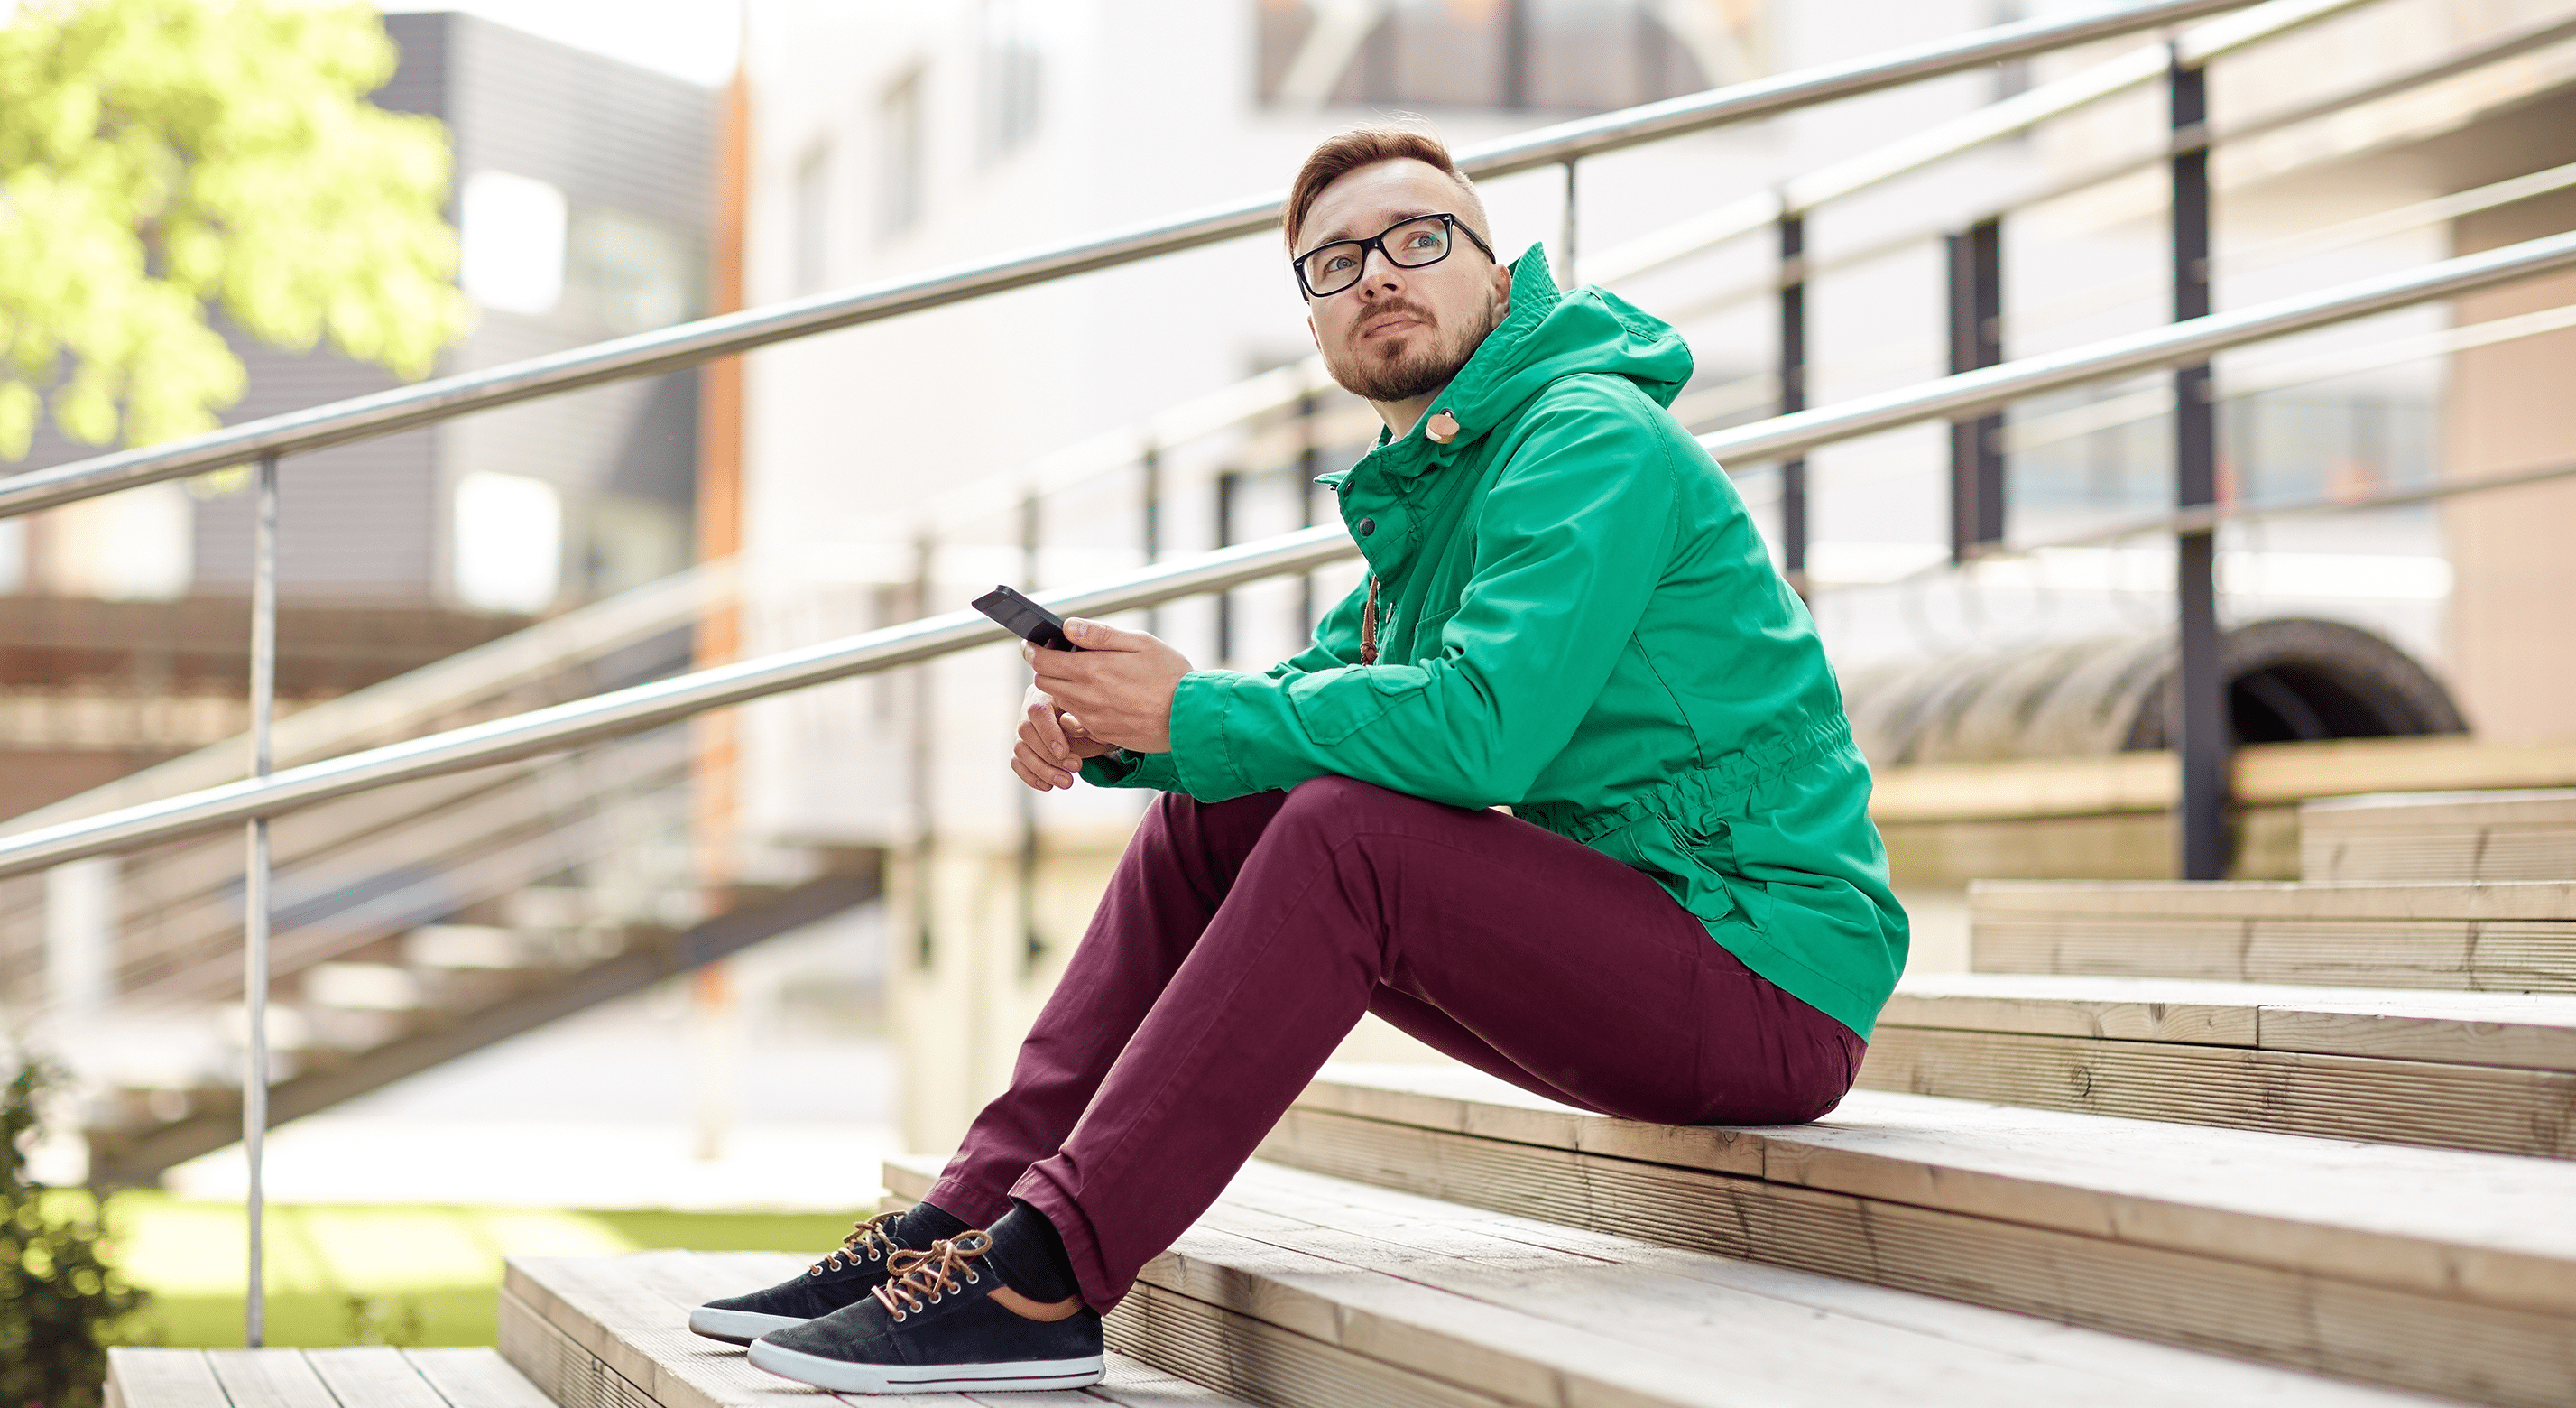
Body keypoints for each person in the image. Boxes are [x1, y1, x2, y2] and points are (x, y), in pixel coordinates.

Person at [694, 120, 1907, 1396]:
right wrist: (1124, 724)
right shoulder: (1437, 491)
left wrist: (1194, 714)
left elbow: (1484, 728)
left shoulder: (1588, 440)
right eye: (1334, 263)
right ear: (1315, 324)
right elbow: (1294, 701)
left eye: (1417, 239)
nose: (1377, 273)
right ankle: (962, 1228)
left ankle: (1045, 1277)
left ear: (1500, 277)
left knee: (1345, 835)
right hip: (1642, 943)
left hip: (1766, 974)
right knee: (1234, 809)